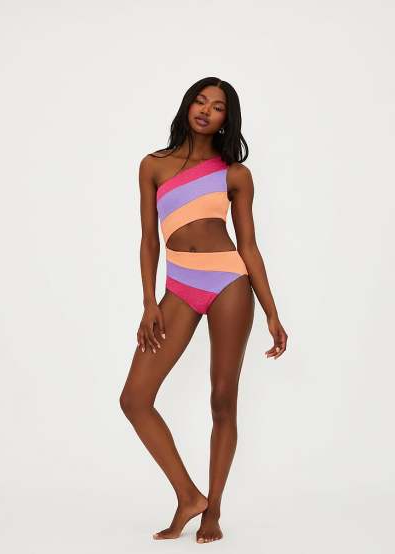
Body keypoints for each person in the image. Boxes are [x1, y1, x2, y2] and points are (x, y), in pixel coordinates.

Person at [119, 76, 288, 543]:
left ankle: (213, 510)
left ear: (226, 119)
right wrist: (149, 301)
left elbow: (249, 246)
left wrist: (272, 312)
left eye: (217, 106)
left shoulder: (235, 174)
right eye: (200, 101)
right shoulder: (153, 165)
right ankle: (188, 496)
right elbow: (149, 239)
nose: (205, 110)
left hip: (229, 282)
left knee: (222, 398)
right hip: (178, 287)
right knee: (135, 399)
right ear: (186, 105)